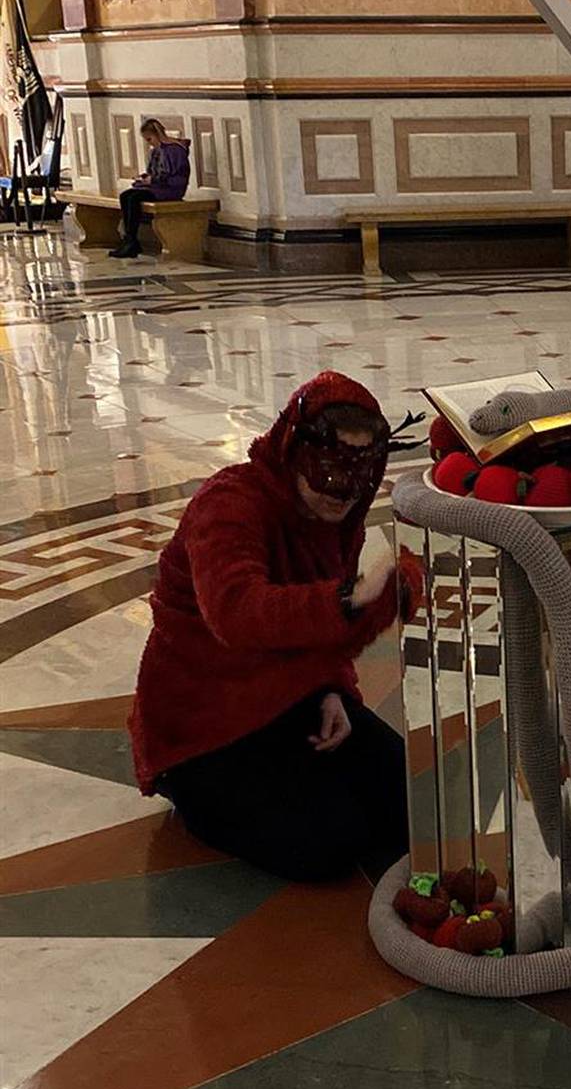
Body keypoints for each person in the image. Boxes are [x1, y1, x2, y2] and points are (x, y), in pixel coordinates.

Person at [129, 371, 420, 881]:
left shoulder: (336, 516)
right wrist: (351, 598)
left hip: (288, 692)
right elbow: (238, 611)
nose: (343, 490)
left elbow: (322, 628)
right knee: (328, 846)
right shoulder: (228, 504)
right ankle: (192, 794)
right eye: (329, 468)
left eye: (360, 472)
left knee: (404, 804)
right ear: (293, 451)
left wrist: (332, 689)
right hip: (202, 720)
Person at [109, 116, 191, 258]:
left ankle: (132, 241)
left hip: (170, 189)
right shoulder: (157, 151)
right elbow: (154, 171)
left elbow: (173, 175)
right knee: (126, 195)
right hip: (157, 187)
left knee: (134, 198)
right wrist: (144, 178)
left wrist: (151, 180)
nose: (150, 144)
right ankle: (130, 239)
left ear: (157, 136)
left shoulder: (175, 150)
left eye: (149, 140)